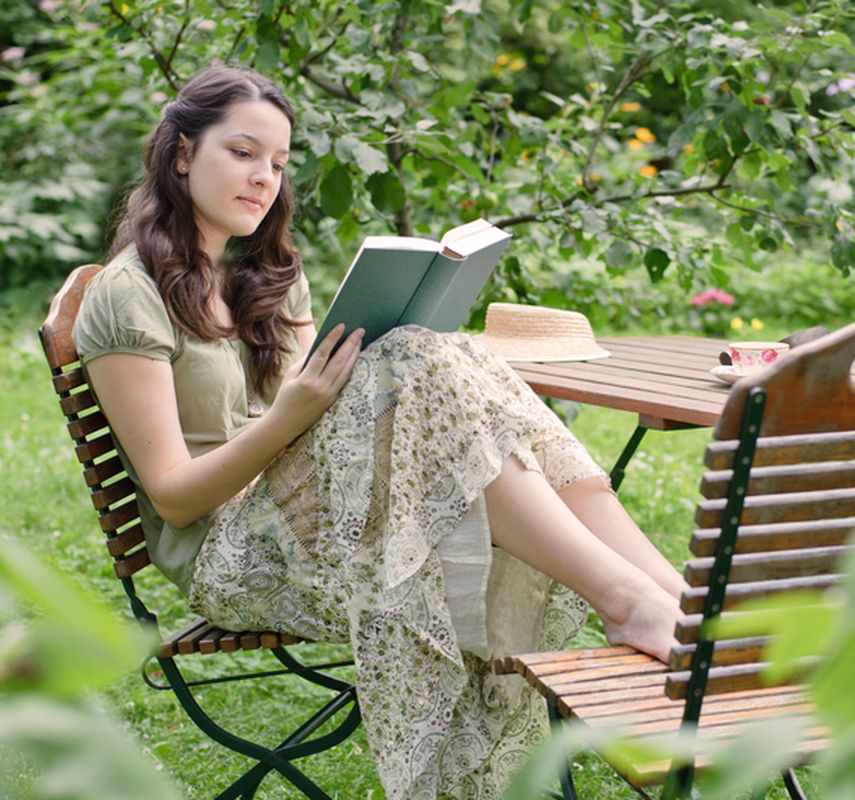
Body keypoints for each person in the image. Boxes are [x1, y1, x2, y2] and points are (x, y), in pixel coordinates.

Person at [73, 65, 687, 799]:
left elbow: (324, 423)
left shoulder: (267, 274)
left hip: (306, 513)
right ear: (181, 153)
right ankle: (632, 602)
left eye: (277, 162)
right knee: (421, 361)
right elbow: (174, 499)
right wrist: (293, 414)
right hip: (231, 558)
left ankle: (677, 600)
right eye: (241, 153)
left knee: (445, 355)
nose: (263, 178)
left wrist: (343, 387)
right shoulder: (126, 294)